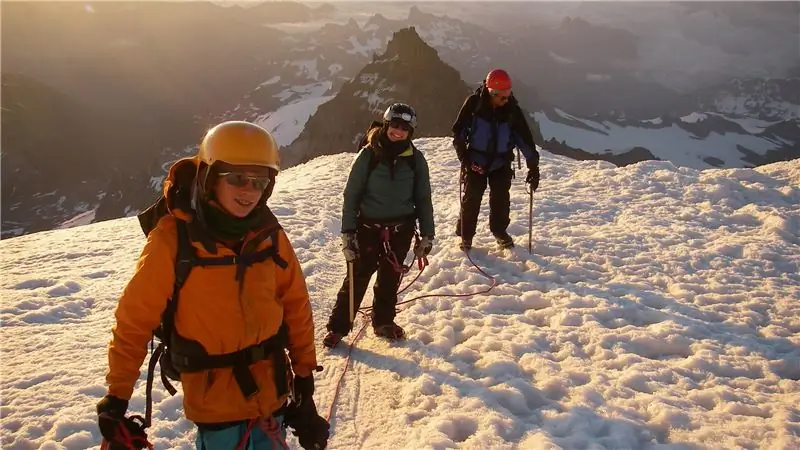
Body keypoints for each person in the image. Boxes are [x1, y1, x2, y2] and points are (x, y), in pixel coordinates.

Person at [96, 121, 329, 450]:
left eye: (259, 181)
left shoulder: (269, 235)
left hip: (272, 391)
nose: (248, 190)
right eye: (236, 178)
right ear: (209, 178)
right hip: (214, 405)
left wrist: (304, 382)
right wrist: (117, 398)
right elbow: (135, 321)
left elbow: (296, 306)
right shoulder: (172, 240)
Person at [323, 103, 435, 348]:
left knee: (390, 277)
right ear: (386, 125)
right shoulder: (369, 154)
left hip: (400, 229)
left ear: (410, 131)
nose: (398, 131)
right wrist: (348, 232)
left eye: (404, 127)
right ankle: (338, 327)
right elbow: (351, 195)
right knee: (357, 276)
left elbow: (423, 198)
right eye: (394, 125)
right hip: (367, 228)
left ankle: (383, 322)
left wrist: (428, 234)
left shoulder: (415, 160)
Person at [451, 68, 542, 250]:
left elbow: (524, 139)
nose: (506, 100)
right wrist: (465, 159)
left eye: (508, 95)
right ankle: (466, 235)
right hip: (476, 161)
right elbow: (459, 133)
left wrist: (533, 166)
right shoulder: (474, 104)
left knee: (501, 199)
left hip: (501, 162)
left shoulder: (511, 111)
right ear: (491, 92)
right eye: (502, 96)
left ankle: (499, 231)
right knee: (472, 197)